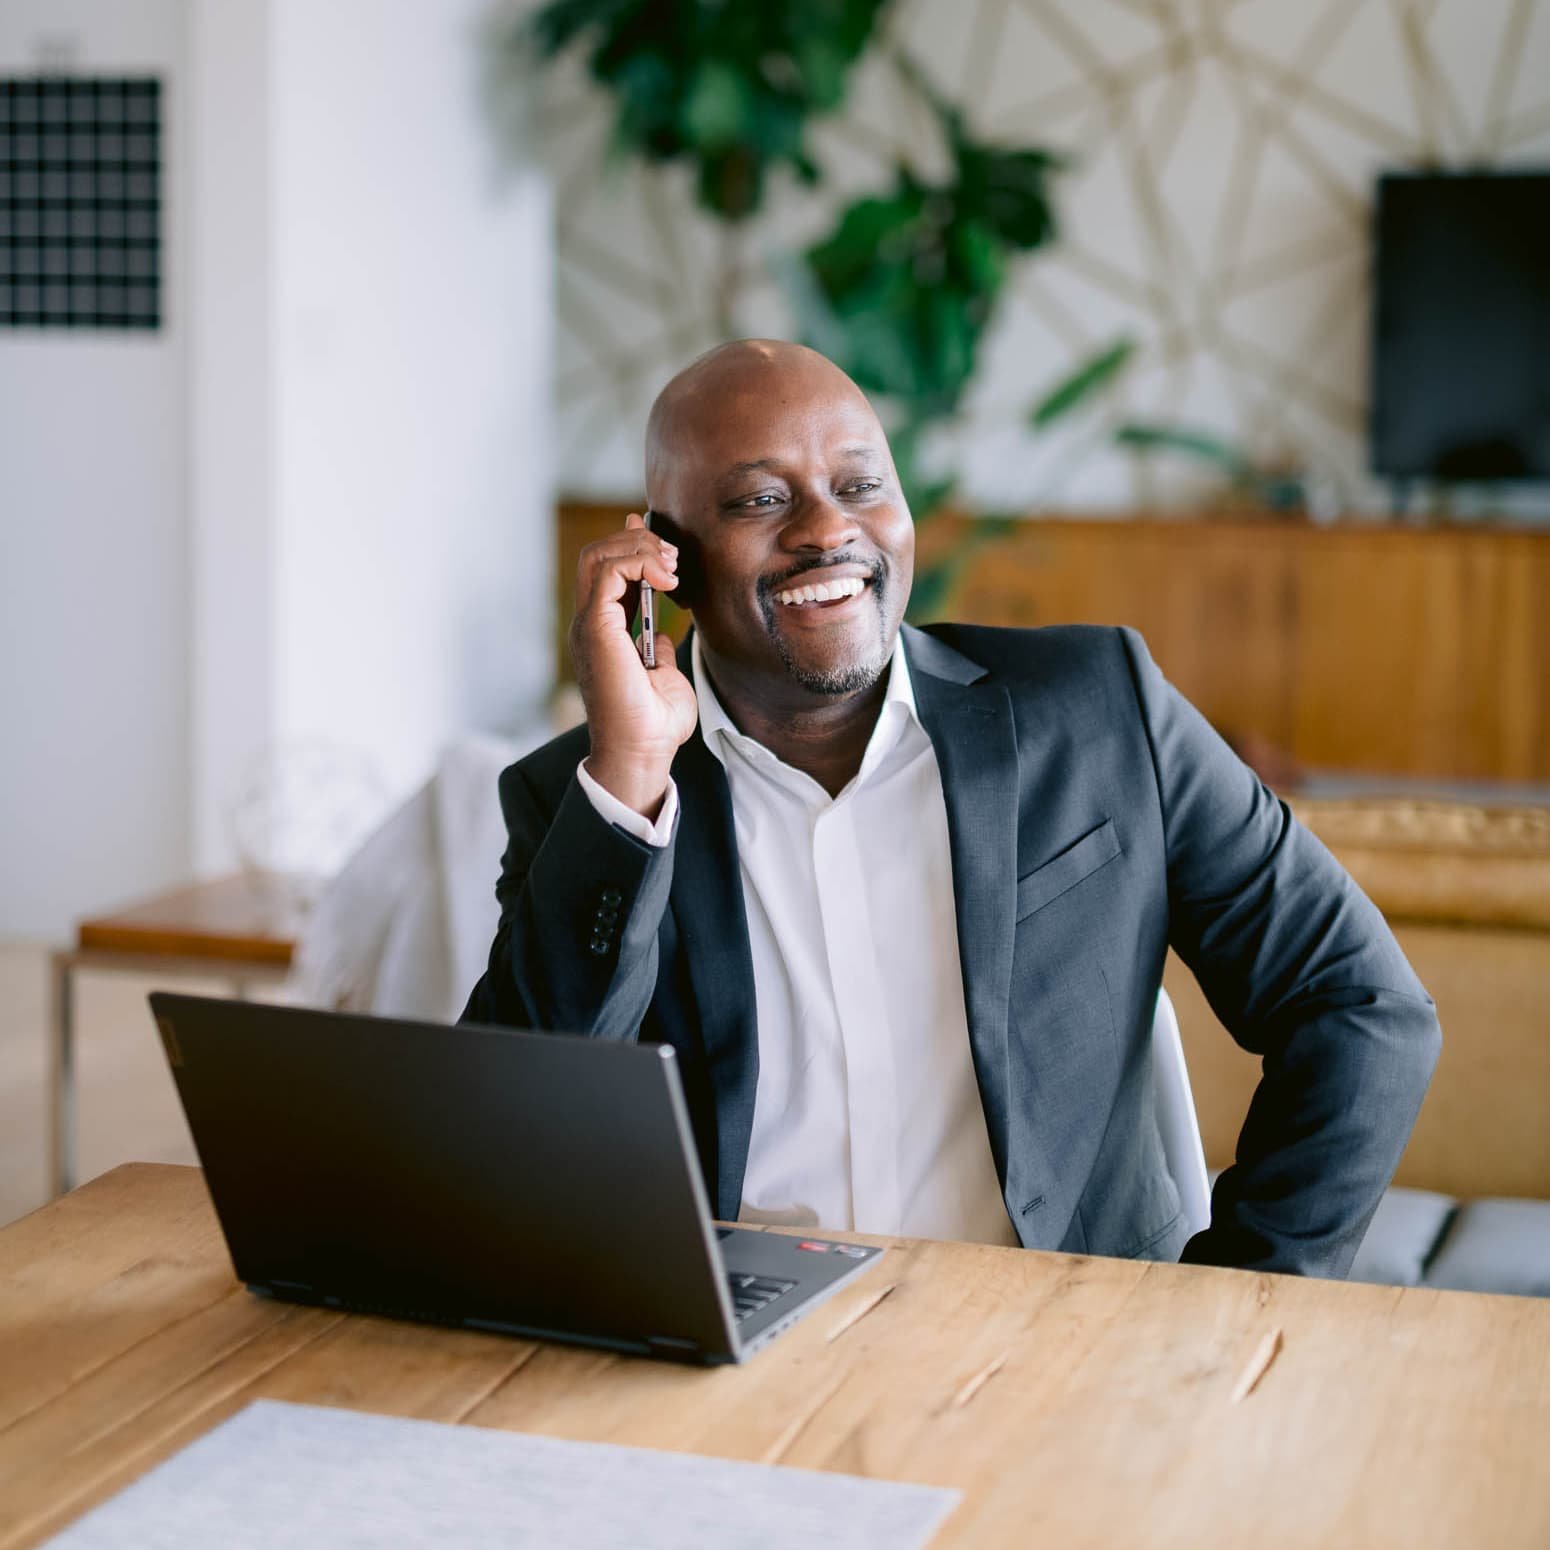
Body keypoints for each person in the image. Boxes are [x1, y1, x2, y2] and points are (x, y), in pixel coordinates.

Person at [463, 339, 1440, 1275]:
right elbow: (512, 1136)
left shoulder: (1100, 711)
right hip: (734, 1363)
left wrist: (1235, 1294)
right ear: (662, 555)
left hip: (1061, 1359)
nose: (825, 529)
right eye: (760, 498)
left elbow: (1359, 1005)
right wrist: (631, 771)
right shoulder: (588, 801)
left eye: (859, 485)